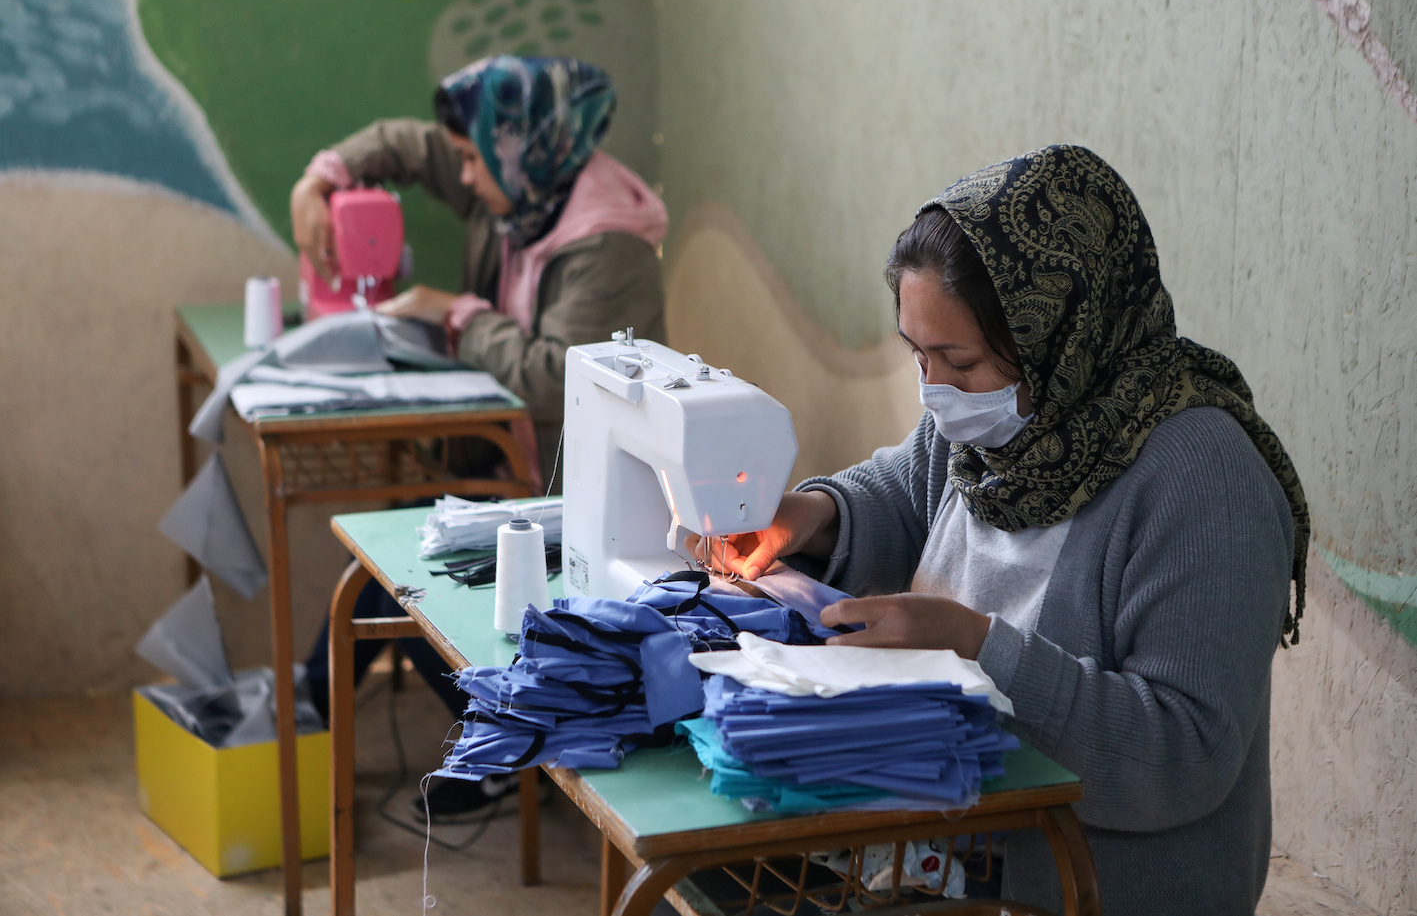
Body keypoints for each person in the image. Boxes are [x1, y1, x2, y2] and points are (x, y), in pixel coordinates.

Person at [704, 145, 1309, 916]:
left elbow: (1184, 752)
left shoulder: (1202, 480)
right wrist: (811, 516)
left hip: (1094, 885)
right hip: (952, 853)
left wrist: (978, 647)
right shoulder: (996, 431)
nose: (933, 392)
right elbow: (901, 489)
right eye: (915, 353)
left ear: (1059, 333)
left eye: (956, 359)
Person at [292, 55, 667, 822]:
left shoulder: (606, 244)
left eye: (471, 159)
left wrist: (458, 315)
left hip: (581, 490)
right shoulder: (524, 181)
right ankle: (320, 711)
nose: (460, 177)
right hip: (515, 459)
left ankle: (487, 738)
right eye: (463, 156)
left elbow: (549, 375)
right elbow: (406, 143)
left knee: (391, 569)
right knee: (387, 558)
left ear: (518, 147)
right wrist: (320, 179)